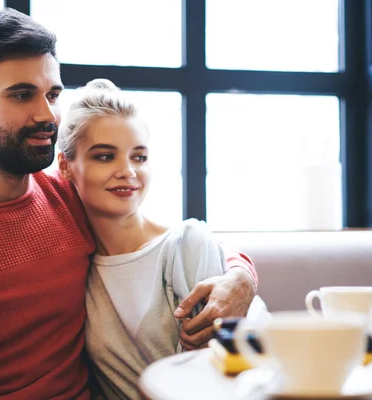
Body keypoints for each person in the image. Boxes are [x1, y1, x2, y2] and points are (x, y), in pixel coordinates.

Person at [0, 8, 257, 400]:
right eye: (23, 95)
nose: (47, 114)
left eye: (53, 94)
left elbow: (173, 242)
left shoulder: (67, 196)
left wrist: (241, 277)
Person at [56, 79, 256, 399]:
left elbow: (218, 378)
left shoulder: (186, 244)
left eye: (139, 157)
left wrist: (243, 273)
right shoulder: (76, 267)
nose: (127, 171)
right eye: (105, 157)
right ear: (65, 166)